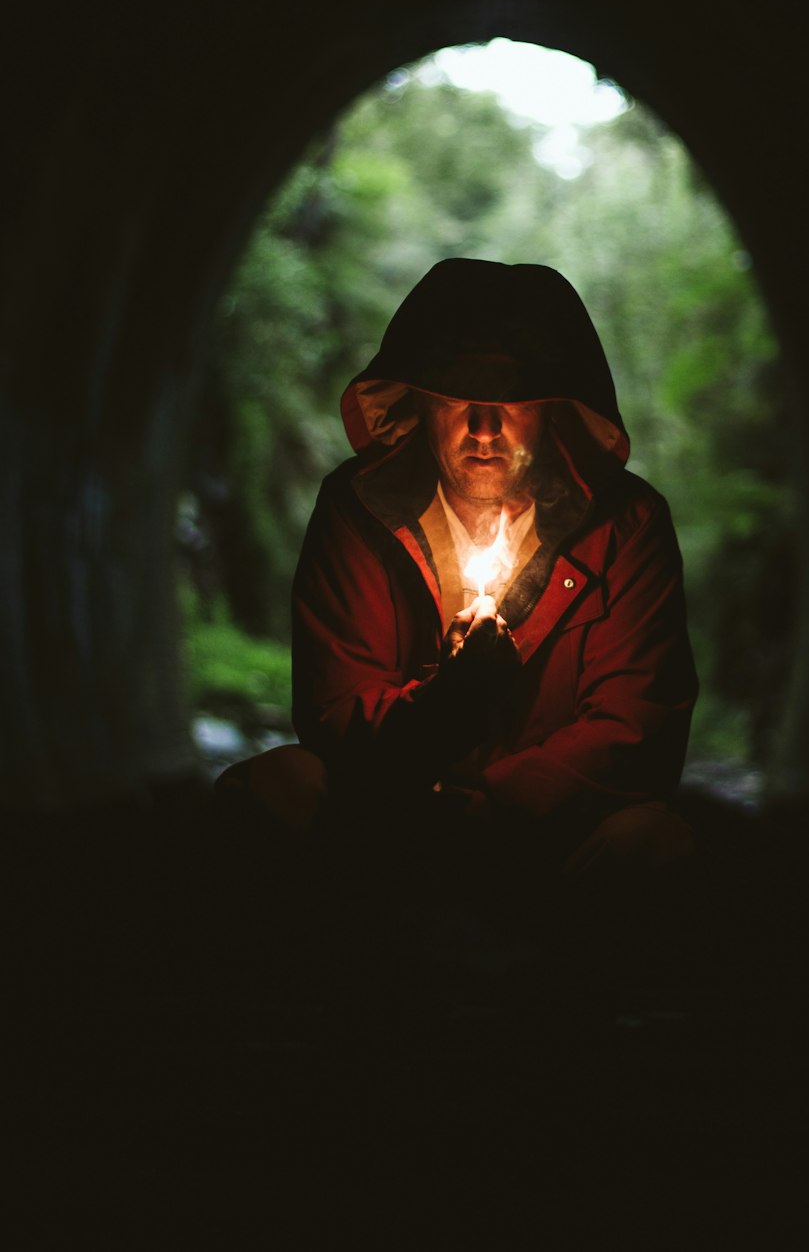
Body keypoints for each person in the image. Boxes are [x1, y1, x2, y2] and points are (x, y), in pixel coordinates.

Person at [217, 259, 698, 1017]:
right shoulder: (360, 512)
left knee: (655, 841)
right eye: (458, 402)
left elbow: (639, 722)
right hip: (391, 821)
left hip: (546, 837)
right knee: (277, 785)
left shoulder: (624, 526)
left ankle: (588, 1033)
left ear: (552, 412)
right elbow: (334, 707)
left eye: (511, 404)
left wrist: (500, 802)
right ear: (417, 404)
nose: (483, 429)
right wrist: (450, 704)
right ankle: (311, 1013)